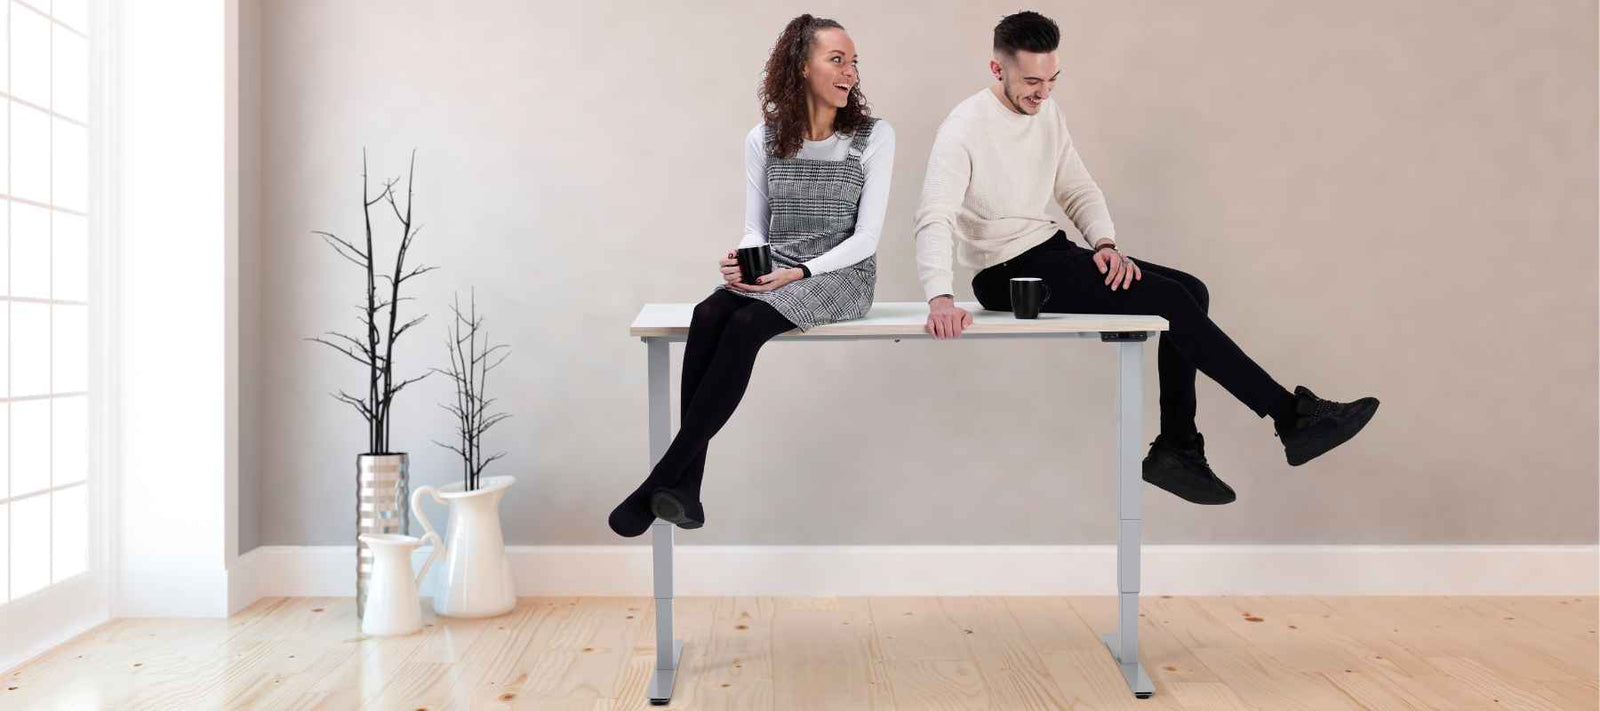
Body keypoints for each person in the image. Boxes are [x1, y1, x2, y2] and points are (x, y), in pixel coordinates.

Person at [913, 11, 1378, 505]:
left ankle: (1178, 446)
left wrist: (1106, 245)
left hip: (1048, 252)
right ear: (996, 69)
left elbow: (1076, 187)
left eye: (1051, 80)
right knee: (1172, 300)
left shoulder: (1047, 112)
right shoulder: (964, 126)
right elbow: (934, 216)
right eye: (1031, 81)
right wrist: (940, 295)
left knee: (1191, 291)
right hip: (1006, 273)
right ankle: (1290, 417)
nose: (1042, 92)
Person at [609, 14, 896, 536]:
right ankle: (685, 492)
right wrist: (743, 258)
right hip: (778, 265)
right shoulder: (763, 138)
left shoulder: (874, 137)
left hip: (840, 274)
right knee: (710, 310)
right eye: (837, 59)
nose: (850, 71)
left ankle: (664, 479)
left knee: (744, 327)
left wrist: (800, 271)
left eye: (854, 62)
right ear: (801, 66)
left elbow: (866, 239)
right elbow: (754, 226)